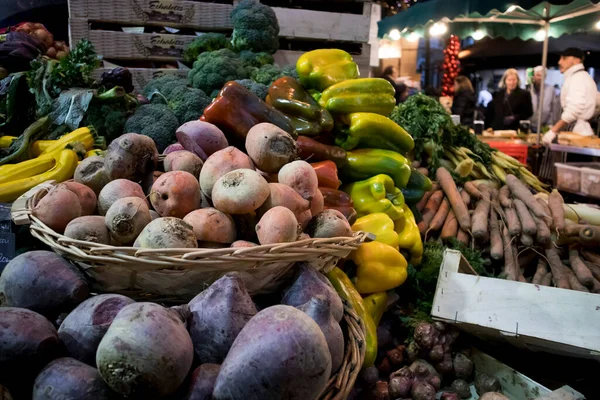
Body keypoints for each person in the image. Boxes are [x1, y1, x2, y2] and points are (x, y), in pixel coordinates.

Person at [543, 48, 597, 145]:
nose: (559, 62)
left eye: (564, 58)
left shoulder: (577, 78)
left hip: (576, 135)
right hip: (580, 132)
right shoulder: (582, 77)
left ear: (576, 61)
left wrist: (553, 130)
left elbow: (574, 109)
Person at [530, 65, 561, 133]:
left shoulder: (550, 89)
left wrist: (553, 123)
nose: (540, 78)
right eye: (538, 75)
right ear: (534, 76)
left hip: (546, 125)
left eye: (543, 76)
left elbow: (555, 108)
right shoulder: (529, 90)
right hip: (531, 125)